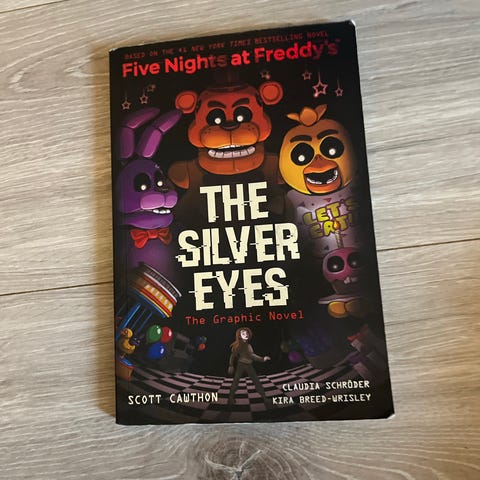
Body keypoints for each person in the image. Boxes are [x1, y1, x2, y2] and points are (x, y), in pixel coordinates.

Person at [227, 327, 271, 404]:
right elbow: (233, 356)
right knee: (238, 381)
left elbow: (251, 356)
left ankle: (264, 398)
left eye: (247, 333)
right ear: (240, 336)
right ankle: (230, 398)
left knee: (255, 381)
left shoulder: (247, 345)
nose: (246, 334)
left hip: (248, 365)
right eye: (243, 334)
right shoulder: (241, 345)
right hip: (241, 365)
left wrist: (262, 359)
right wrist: (231, 365)